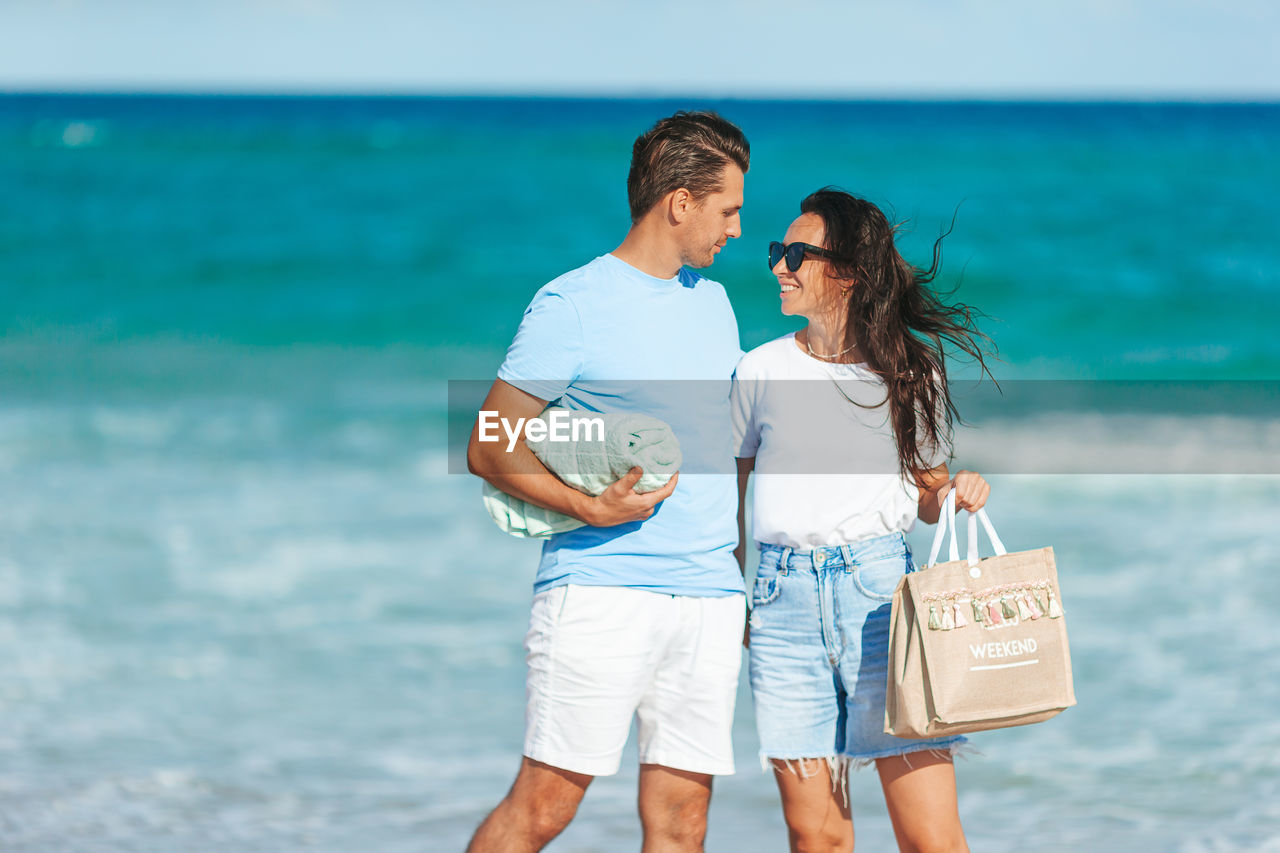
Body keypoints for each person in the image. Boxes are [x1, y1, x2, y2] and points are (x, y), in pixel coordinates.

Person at [465, 111, 750, 853]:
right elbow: (490, 441)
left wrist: (738, 577)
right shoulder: (572, 305)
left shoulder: (715, 304)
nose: (739, 230)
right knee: (544, 810)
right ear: (680, 202)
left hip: (709, 597)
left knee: (684, 825)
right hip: (602, 590)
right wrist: (586, 505)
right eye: (730, 210)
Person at [731, 189, 993, 853]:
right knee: (815, 836)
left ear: (847, 270)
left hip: (883, 602)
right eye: (776, 253)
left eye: (796, 255)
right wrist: (732, 593)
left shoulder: (910, 370)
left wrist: (956, 490)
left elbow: (928, 491)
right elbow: (726, 495)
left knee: (930, 835)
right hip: (782, 604)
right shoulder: (758, 369)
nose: (779, 267)